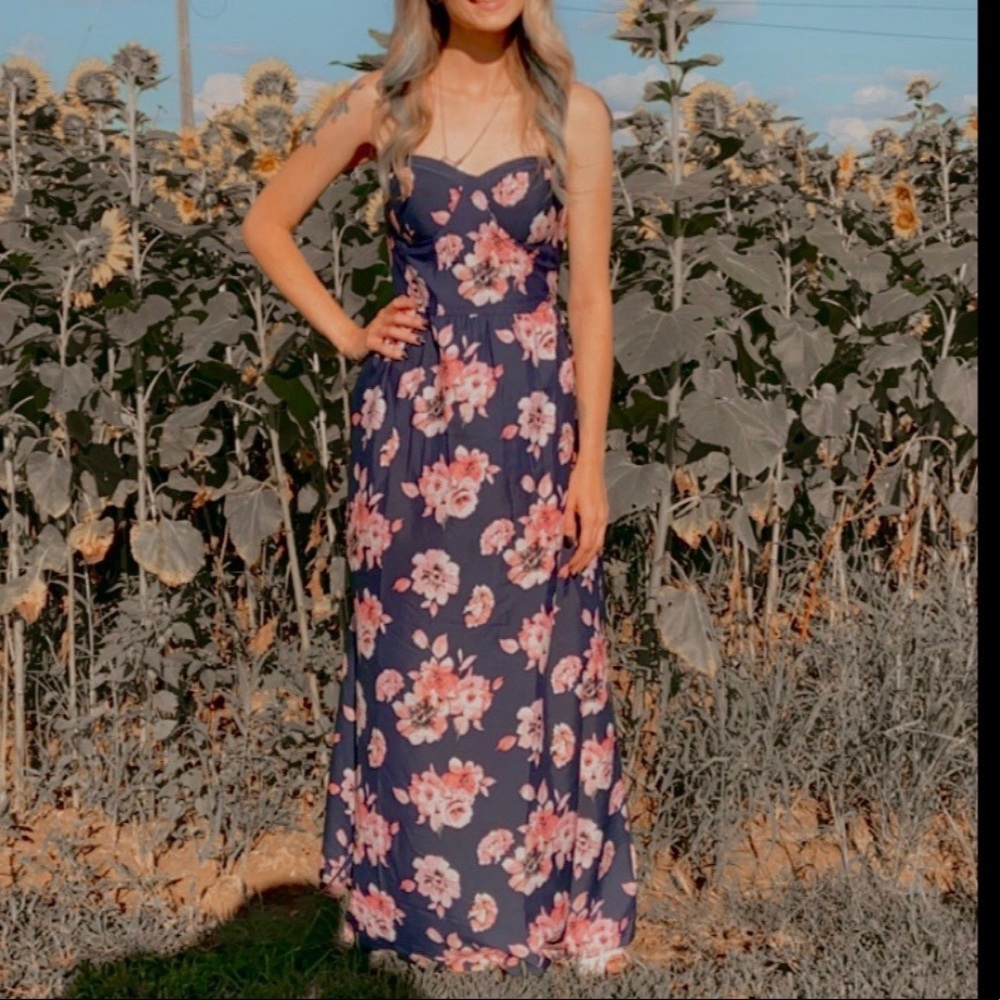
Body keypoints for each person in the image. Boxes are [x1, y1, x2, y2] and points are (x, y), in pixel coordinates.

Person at [241, 0, 636, 975]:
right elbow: (266, 221)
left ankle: (556, 907)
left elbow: (588, 296)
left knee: (544, 649)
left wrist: (589, 464)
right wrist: (345, 332)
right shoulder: (384, 103)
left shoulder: (574, 112)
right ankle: (403, 906)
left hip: (534, 431)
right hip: (414, 429)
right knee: (414, 662)